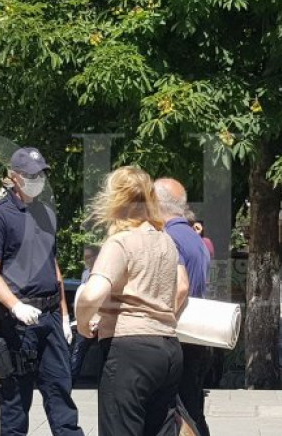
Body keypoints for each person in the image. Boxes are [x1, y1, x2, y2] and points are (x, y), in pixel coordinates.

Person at [77, 166, 189, 436]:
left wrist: (82, 322)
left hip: (128, 351)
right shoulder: (167, 242)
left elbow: (92, 293)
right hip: (168, 348)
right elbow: (181, 285)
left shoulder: (120, 242)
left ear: (115, 199)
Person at [0, 147, 83, 435]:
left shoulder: (47, 213)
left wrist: (64, 316)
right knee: (15, 400)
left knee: (61, 393)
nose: (37, 180)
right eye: (30, 175)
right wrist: (15, 305)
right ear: (14, 176)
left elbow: (53, 266)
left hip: (49, 315)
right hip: (17, 321)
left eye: (41, 174)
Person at [156, 178, 213, 436]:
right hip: (195, 337)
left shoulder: (168, 238)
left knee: (180, 414)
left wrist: (161, 319)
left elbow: (180, 288)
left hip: (177, 336)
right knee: (192, 409)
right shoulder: (195, 237)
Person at [70, 245, 100, 384]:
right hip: (85, 319)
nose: (86, 260)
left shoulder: (103, 274)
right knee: (78, 350)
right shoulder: (86, 274)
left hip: (100, 320)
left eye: (89, 257)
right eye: (85, 257)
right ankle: (71, 380)